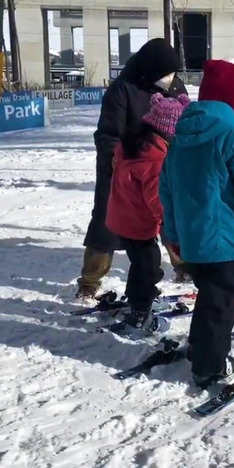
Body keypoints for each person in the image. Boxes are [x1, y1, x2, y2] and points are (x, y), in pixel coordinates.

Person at [159, 59, 234, 389]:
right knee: (219, 305)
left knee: (209, 298)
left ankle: (200, 349)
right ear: (232, 100)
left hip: (192, 242)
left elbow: (165, 191)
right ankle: (209, 367)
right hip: (225, 244)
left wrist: (172, 234)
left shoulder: (179, 139)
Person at [77, 38, 190, 301]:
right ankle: (90, 280)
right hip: (122, 169)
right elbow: (106, 135)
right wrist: (124, 158)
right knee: (106, 221)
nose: (169, 78)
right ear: (150, 69)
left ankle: (184, 264)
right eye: (164, 73)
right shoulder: (122, 89)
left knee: (169, 214)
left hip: (164, 164)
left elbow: (182, 122)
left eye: (173, 73)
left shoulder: (174, 85)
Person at [105, 92, 191, 334]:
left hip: (122, 216)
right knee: (149, 267)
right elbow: (157, 199)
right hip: (137, 222)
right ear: (169, 131)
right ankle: (139, 316)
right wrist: (170, 223)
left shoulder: (133, 145)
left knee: (140, 264)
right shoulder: (155, 158)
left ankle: (142, 298)